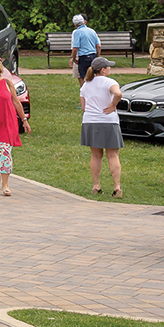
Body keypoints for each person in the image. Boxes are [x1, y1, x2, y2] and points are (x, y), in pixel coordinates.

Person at [0, 56, 28, 197]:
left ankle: (5, 183)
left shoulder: (7, 83)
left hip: (7, 122)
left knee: (5, 153)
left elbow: (16, 102)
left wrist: (24, 119)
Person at [80, 56, 124, 197]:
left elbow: (83, 107)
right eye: (108, 67)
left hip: (90, 121)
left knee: (96, 155)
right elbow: (118, 93)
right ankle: (117, 187)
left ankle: (96, 186)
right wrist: (113, 105)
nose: (110, 68)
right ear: (103, 70)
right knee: (113, 155)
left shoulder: (86, 85)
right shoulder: (109, 82)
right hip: (108, 121)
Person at [71, 14, 100, 83]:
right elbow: (98, 46)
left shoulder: (77, 32)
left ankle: (86, 92)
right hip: (93, 56)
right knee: (93, 76)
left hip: (83, 57)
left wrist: (73, 58)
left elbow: (75, 48)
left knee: (83, 77)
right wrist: (97, 56)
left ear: (74, 24)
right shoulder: (92, 31)